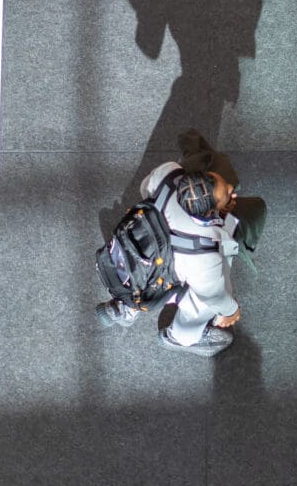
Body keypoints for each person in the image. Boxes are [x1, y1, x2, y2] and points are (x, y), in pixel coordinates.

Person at [97, 129, 267, 357]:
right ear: (209, 212)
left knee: (152, 267)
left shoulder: (168, 174)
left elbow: (145, 190)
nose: (230, 188)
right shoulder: (204, 252)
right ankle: (181, 337)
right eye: (226, 193)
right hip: (175, 266)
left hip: (135, 250)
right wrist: (230, 311)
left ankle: (126, 304)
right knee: (203, 305)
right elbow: (214, 296)